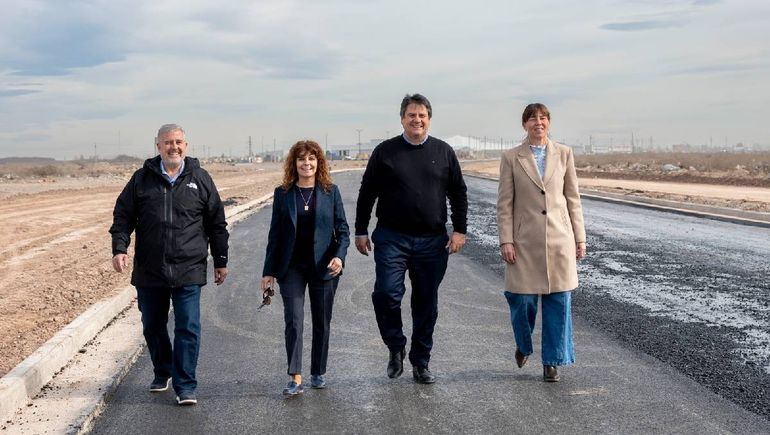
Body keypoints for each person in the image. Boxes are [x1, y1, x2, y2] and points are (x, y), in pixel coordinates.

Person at [109, 124, 229, 406]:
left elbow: (217, 223)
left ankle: (185, 385)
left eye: (178, 142)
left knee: (188, 326)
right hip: (150, 268)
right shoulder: (141, 179)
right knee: (153, 325)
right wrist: (119, 248)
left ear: (185, 145)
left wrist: (220, 260)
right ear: (158, 146)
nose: (173, 147)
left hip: (189, 267)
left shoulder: (200, 178)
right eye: (167, 143)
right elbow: (123, 216)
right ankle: (163, 370)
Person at [355, 93, 468, 384]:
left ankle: (421, 362)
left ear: (429, 119)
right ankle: (395, 346)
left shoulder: (443, 151)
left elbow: (458, 193)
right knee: (386, 294)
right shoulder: (385, 152)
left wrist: (459, 230)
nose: (416, 120)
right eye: (411, 115)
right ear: (402, 118)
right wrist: (360, 230)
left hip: (432, 241)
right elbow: (367, 192)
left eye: (422, 115)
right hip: (392, 238)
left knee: (426, 303)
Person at [496, 103, 587, 382]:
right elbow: (504, 204)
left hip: (559, 240)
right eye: (533, 118)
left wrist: (579, 238)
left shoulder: (564, 154)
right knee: (521, 299)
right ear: (524, 124)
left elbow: (573, 199)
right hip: (524, 242)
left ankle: (552, 361)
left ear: (549, 122)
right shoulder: (512, 157)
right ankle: (524, 345)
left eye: (543, 117)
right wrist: (506, 240)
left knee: (558, 301)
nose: (539, 122)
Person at [262, 140, 350, 397]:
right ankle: (295, 377)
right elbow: (275, 235)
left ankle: (318, 372)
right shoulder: (283, 193)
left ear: (319, 162)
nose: (307, 163)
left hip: (324, 267)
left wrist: (339, 257)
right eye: (301, 158)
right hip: (291, 268)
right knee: (294, 320)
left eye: (311, 158)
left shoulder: (330, 192)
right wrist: (268, 272)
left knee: (322, 320)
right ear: (294, 163)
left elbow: (343, 231)